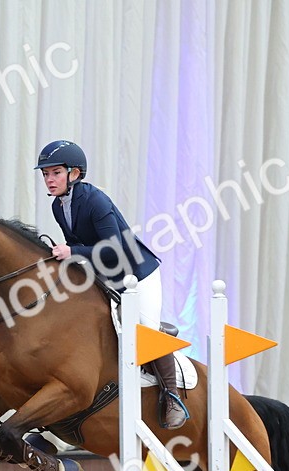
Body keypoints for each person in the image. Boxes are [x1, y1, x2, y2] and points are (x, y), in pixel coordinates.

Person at [35, 139, 188, 429]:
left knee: (145, 331)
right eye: (45, 174)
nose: (49, 179)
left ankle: (172, 396)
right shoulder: (59, 206)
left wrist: (73, 253)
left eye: (55, 172)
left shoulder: (95, 200)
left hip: (136, 274)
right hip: (105, 274)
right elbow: (80, 244)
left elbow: (114, 248)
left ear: (75, 173)